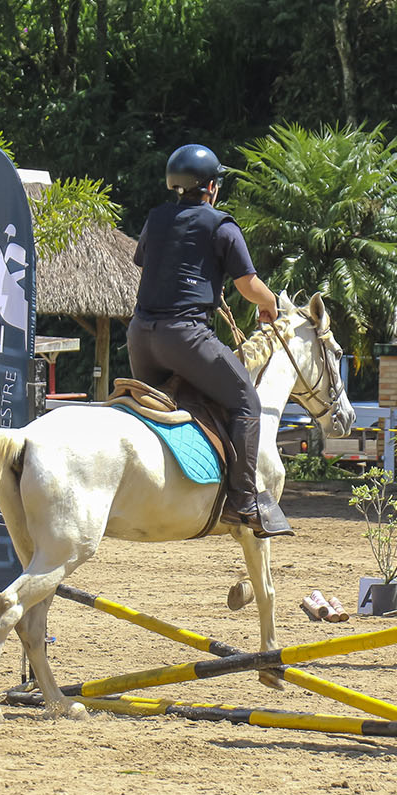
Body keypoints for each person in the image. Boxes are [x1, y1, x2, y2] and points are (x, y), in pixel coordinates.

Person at [126, 144, 293, 538]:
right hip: (184, 338)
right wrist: (271, 305)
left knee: (175, 401)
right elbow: (249, 285)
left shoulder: (156, 219)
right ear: (212, 187)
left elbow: (153, 265)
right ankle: (243, 501)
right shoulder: (222, 226)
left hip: (140, 337)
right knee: (246, 401)